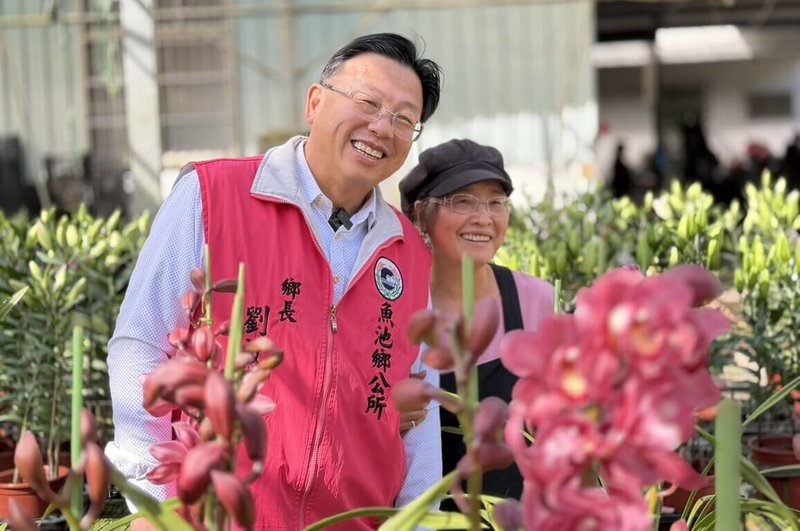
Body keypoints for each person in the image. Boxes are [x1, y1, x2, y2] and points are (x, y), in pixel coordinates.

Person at [105, 33, 443, 530]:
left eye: (403, 118)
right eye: (368, 102)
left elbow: (419, 403)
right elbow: (140, 347)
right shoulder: (211, 195)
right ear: (315, 101)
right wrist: (157, 505)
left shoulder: (408, 251)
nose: (381, 127)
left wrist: (420, 519)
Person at [398, 139, 554, 501]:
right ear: (421, 214)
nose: (483, 218)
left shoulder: (537, 300)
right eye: (463, 201)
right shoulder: (400, 305)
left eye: (495, 202)